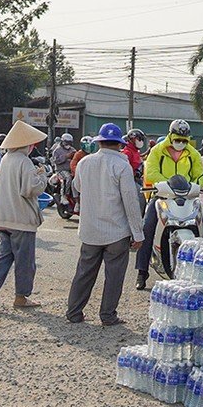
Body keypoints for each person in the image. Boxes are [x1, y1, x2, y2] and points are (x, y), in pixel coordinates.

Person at [65, 123, 144, 327]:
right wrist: (137, 233)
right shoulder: (122, 165)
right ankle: (108, 316)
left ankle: (74, 312)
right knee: (114, 276)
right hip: (116, 232)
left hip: (90, 230)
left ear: (99, 142)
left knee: (84, 272)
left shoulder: (85, 162)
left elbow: (77, 187)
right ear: (119, 144)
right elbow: (130, 200)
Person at [0, 120, 49, 311]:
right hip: (21, 219)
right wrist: (42, 176)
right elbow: (30, 189)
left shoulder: (6, 159)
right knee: (25, 261)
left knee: (4, 257)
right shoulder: (24, 162)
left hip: (3, 218)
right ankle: (21, 297)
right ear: (26, 144)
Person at [134, 120, 203, 290]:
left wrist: (196, 185)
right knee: (147, 227)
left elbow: (199, 175)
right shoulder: (157, 151)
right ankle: (142, 271)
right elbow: (150, 171)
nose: (181, 143)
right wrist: (163, 185)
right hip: (161, 196)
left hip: (187, 198)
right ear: (171, 136)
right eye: (178, 139)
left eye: (184, 140)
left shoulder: (193, 153)